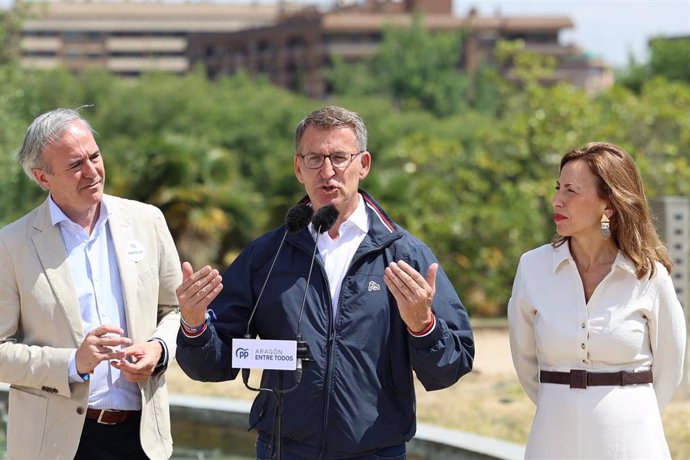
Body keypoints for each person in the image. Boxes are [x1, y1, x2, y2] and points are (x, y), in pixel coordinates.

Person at [175, 105, 474, 459]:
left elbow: (451, 366)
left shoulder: (405, 255)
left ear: (363, 164)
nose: (327, 171)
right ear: (298, 168)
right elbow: (213, 363)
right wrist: (194, 326)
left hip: (374, 452)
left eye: (339, 157)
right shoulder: (266, 256)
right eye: (314, 158)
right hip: (283, 451)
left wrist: (423, 326)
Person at [0, 108, 182, 459]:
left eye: (94, 156)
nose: (92, 171)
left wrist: (158, 350)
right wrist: (72, 363)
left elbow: (173, 310)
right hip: (54, 444)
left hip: (142, 439)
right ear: (42, 177)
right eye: (74, 165)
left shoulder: (148, 220)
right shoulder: (11, 244)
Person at [508, 142, 687, 459]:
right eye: (558, 188)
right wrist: (562, 404)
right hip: (552, 438)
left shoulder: (649, 275)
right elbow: (524, 362)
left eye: (571, 191)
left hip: (632, 439)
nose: (556, 200)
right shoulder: (533, 267)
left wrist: (629, 411)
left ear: (609, 205)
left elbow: (670, 369)